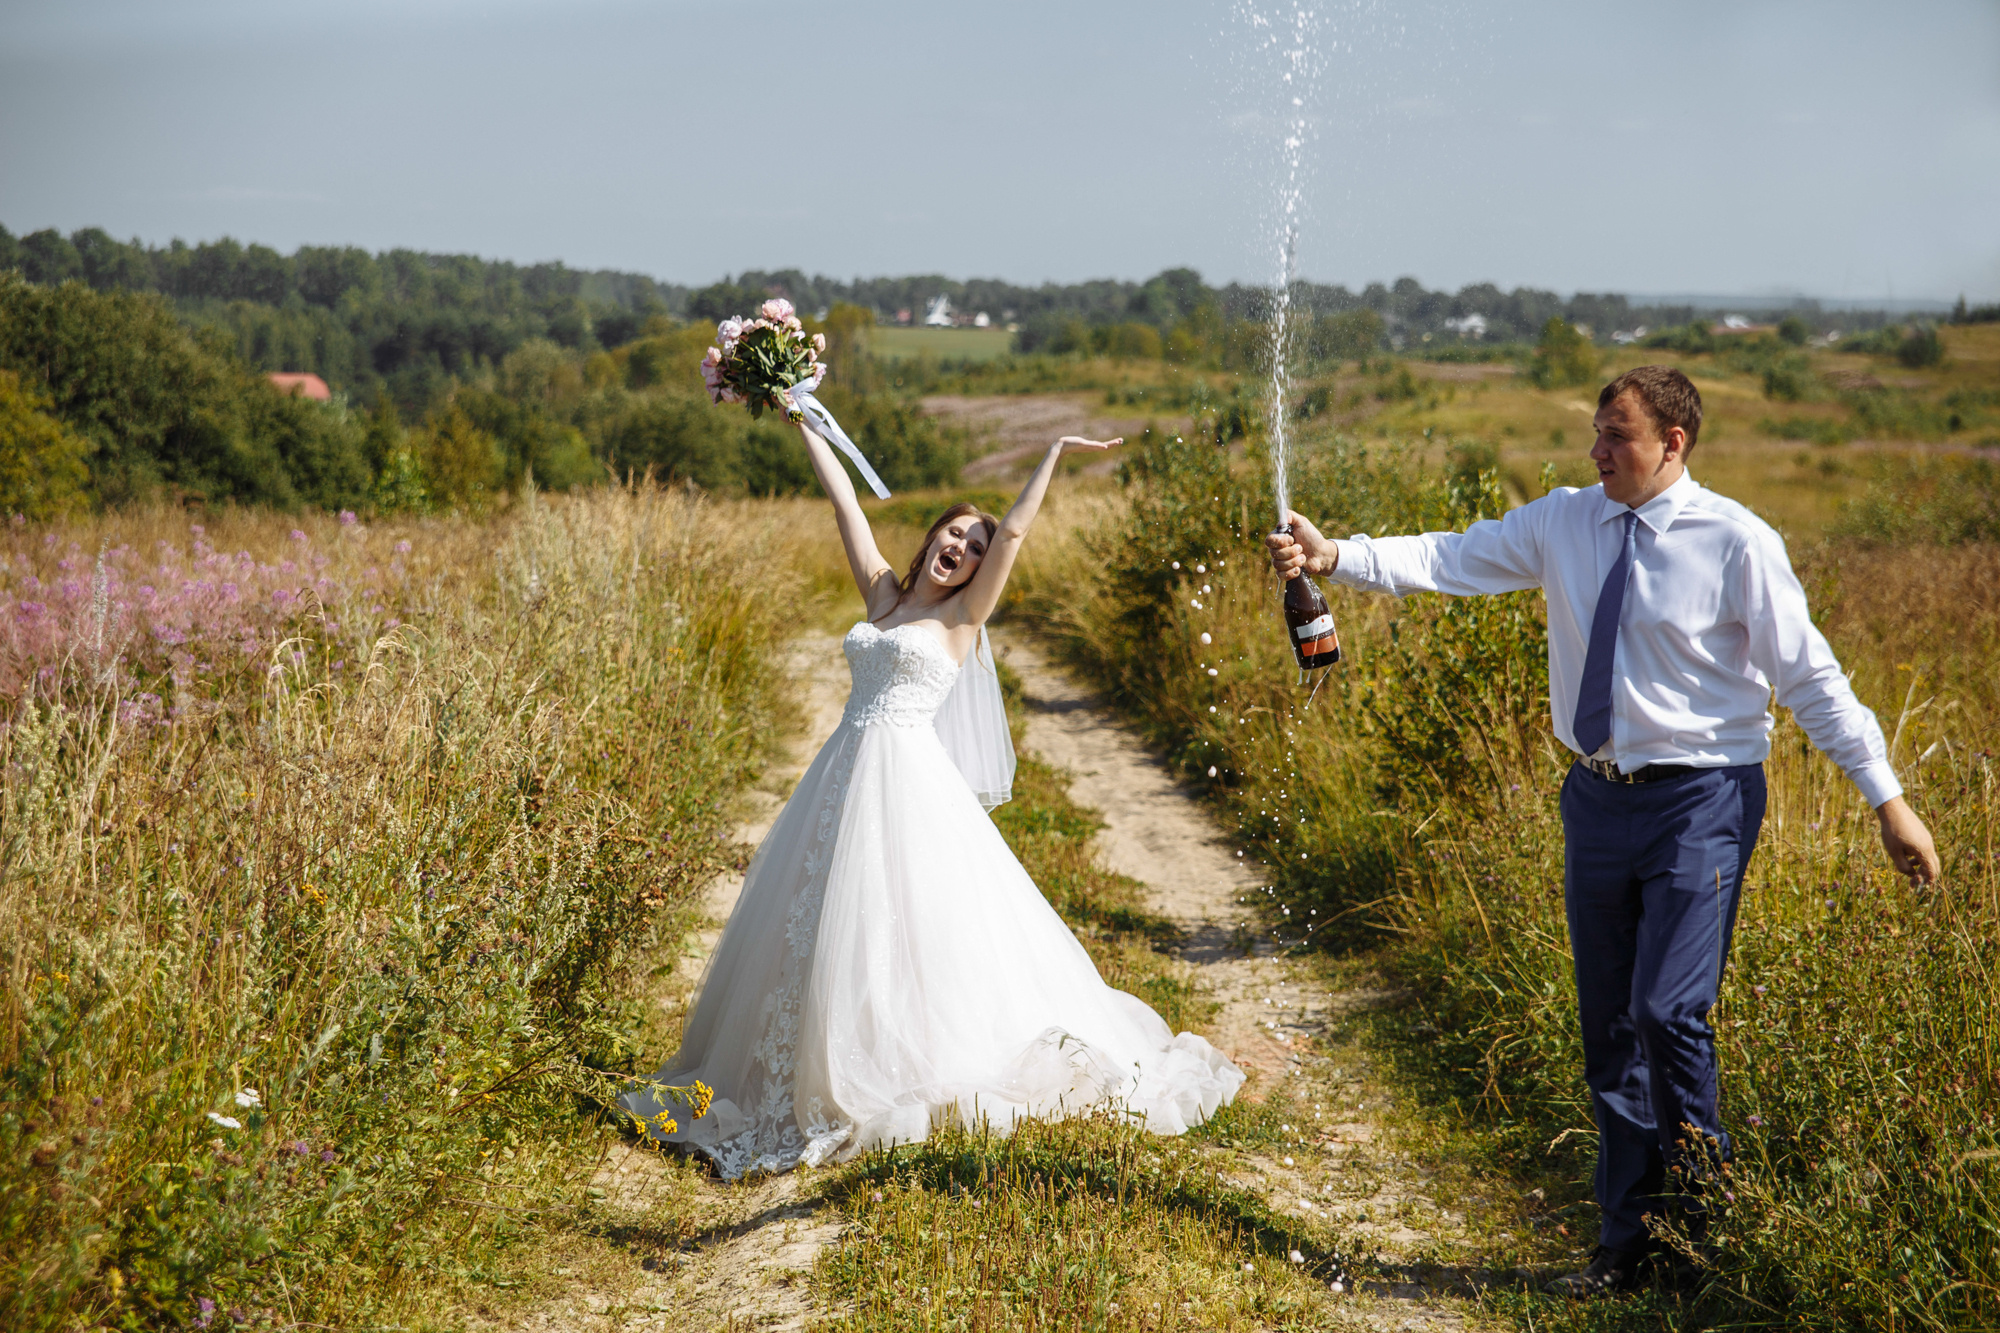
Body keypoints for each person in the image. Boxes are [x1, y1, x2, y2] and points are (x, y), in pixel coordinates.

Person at [1266, 365, 1939, 1296]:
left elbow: (1812, 678)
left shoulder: (1737, 542)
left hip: (1702, 801)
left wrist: (1886, 799)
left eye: (1615, 438)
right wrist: (1340, 556)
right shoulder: (1566, 519)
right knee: (1611, 1030)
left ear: (1674, 443)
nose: (1596, 452)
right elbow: (1455, 557)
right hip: (1595, 799)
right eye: (1594, 432)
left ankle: (1703, 1236)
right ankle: (1627, 1244)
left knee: (1669, 1012)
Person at [620, 422, 1243, 1179]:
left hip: (910, 784)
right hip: (842, 772)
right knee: (817, 915)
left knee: (905, 925)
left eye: (974, 548)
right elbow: (844, 503)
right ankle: (793, 1060)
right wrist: (803, 419)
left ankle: (893, 1060)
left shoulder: (960, 618)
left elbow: (1014, 531)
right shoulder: (884, 595)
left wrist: (1052, 452)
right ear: (932, 538)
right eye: (955, 534)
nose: (965, 549)